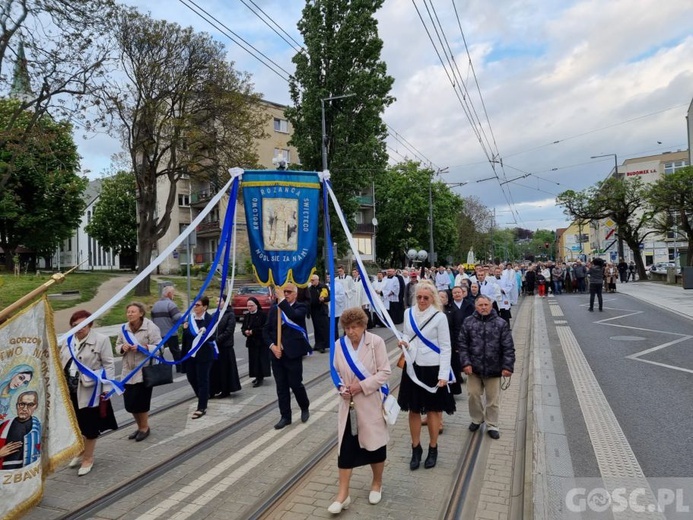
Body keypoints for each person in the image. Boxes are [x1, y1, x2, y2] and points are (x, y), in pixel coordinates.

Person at [328, 308, 391, 514]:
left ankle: (377, 483)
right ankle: (343, 494)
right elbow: (335, 370)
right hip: (348, 406)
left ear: (363, 326)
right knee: (345, 449)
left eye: (354, 327)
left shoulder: (375, 342)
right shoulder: (339, 345)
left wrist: (361, 386)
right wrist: (341, 388)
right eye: (347, 327)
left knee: (374, 447)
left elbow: (385, 372)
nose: (350, 331)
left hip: (370, 402)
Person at [397, 281, 455, 470]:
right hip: (413, 367)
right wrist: (403, 342)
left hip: (432, 368)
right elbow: (407, 334)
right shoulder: (408, 313)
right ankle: (416, 448)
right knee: (413, 410)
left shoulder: (439, 317)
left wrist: (444, 374)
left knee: (432, 410)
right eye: (419, 297)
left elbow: (446, 347)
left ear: (433, 299)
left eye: (426, 298)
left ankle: (432, 447)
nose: (422, 300)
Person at [60, 310, 118, 476]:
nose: (79, 328)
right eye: (75, 325)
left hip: (89, 390)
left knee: (90, 425)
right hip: (69, 389)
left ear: (90, 324)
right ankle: (80, 451)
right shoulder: (67, 339)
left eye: (83, 325)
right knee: (75, 425)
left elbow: (109, 364)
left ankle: (88, 458)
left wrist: (108, 388)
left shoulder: (101, 340)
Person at [458, 295, 515, 439]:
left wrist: (507, 366)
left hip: (494, 369)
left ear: (491, 305)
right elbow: (462, 345)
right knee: (473, 394)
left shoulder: (501, 323)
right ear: (476, 307)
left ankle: (492, 424)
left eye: (486, 305)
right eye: (480, 305)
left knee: (493, 400)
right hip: (474, 369)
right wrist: (466, 363)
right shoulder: (468, 322)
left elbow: (508, 347)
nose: (483, 307)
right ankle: (476, 419)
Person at [263, 283, 311, 429]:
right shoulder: (274, 310)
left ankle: (304, 407)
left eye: (289, 292)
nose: (286, 294)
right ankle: (285, 416)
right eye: (284, 292)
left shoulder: (300, 307)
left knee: (296, 384)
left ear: (295, 294)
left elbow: (293, 316)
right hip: (277, 355)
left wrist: (282, 300)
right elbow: (266, 331)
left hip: (293, 354)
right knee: (281, 387)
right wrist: (273, 346)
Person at [116, 302, 162, 442]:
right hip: (127, 372)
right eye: (128, 312)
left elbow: (160, 347)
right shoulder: (124, 328)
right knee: (130, 405)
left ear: (141, 313)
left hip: (143, 372)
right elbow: (117, 346)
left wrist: (145, 347)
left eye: (133, 311)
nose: (130, 314)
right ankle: (139, 426)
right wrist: (122, 348)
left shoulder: (151, 328)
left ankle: (144, 428)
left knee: (141, 403)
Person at [182, 296, 217, 418]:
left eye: (197, 305)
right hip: (191, 354)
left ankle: (202, 407)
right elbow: (186, 338)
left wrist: (204, 333)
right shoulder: (190, 319)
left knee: (203, 379)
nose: (195, 307)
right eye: (194, 305)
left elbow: (213, 338)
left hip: (205, 355)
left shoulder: (210, 319)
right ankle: (203, 395)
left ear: (205, 307)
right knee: (191, 377)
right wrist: (185, 329)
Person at [0, 391, 41, 469]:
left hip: (29, 473)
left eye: (30, 405)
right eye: (22, 404)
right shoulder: (4, 426)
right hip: (4, 474)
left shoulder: (40, 428)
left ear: (35, 406)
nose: (25, 409)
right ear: (17, 405)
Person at [210, 295, 242, 398]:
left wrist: (217, 340)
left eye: (220, 301)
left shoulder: (230, 314)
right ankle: (215, 389)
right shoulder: (215, 315)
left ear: (226, 302)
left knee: (225, 369)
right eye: (217, 301)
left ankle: (225, 390)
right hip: (215, 347)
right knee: (215, 369)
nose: (218, 303)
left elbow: (229, 331)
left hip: (225, 347)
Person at [151, 285, 184, 373]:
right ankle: (179, 367)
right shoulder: (171, 304)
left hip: (159, 334)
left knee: (160, 352)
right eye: (173, 294)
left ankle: (162, 368)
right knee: (175, 351)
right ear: (169, 294)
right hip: (171, 333)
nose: (174, 295)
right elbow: (177, 317)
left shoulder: (155, 305)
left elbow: (152, 320)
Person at [241, 297, 270, 387]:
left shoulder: (262, 315)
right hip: (251, 342)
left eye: (251, 306)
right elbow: (243, 327)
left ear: (256, 305)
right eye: (248, 306)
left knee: (260, 360)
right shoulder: (247, 316)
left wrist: (253, 331)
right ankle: (256, 376)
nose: (249, 308)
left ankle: (260, 377)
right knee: (253, 360)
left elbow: (265, 328)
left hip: (261, 342)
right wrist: (245, 332)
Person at [309, 274, 331, 352]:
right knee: (316, 328)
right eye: (311, 280)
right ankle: (317, 344)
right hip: (314, 310)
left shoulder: (323, 287)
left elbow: (329, 297)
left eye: (313, 280)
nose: (311, 282)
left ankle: (323, 345)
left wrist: (323, 299)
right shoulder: (310, 289)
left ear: (317, 280)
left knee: (323, 328)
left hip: (321, 310)